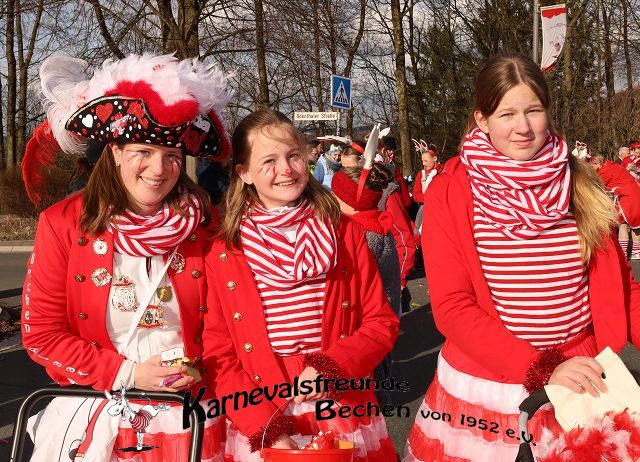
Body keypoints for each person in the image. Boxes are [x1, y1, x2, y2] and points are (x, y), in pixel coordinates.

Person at [403, 55, 640, 462]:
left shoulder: (579, 180)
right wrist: (541, 367)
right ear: (482, 119)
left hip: (580, 375)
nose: (523, 127)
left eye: (533, 110)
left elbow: (621, 289)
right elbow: (452, 306)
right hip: (495, 382)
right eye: (506, 114)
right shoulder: (452, 190)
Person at [21, 53, 232, 462]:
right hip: (99, 408)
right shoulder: (63, 223)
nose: (159, 169)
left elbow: (231, 324)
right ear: (115, 151)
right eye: (144, 151)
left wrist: (197, 369)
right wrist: (128, 374)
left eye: (171, 156)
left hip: (191, 414)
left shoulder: (207, 224)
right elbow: (42, 334)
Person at [202, 108, 399, 461]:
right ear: (244, 173)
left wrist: (331, 368)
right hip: (263, 409)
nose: (286, 169)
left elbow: (381, 323)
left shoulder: (345, 234)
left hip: (340, 404)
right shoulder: (226, 251)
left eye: (293, 155)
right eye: (269, 161)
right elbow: (219, 355)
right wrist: (267, 427)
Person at [331, 163, 401, 406]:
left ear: (349, 202)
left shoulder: (362, 234)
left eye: (335, 195)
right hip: (387, 310)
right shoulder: (375, 223)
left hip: (371, 319)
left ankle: (379, 408)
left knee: (374, 372)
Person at [588, 154, 640, 259]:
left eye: (593, 165)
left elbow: (596, 186)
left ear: (599, 163)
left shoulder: (605, 171)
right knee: (632, 225)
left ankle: (626, 252)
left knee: (625, 224)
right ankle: (635, 252)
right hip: (631, 194)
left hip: (627, 196)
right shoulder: (610, 165)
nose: (591, 168)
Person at [411, 140, 442, 239]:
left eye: (426, 161)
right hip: (425, 212)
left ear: (434, 158)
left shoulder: (443, 173)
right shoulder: (421, 174)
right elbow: (416, 195)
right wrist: (430, 198)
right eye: (422, 161)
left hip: (441, 211)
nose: (424, 164)